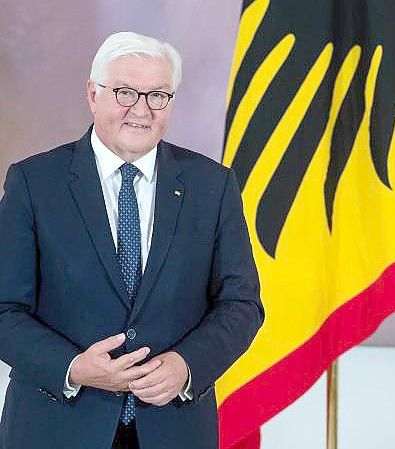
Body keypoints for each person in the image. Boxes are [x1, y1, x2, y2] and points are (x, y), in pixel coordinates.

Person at [0, 32, 264, 449]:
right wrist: (73, 367)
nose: (141, 110)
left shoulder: (211, 185)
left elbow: (242, 304)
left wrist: (186, 366)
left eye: (158, 95)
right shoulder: (34, 182)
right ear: (93, 93)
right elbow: (4, 309)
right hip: (55, 427)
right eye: (125, 92)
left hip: (174, 428)